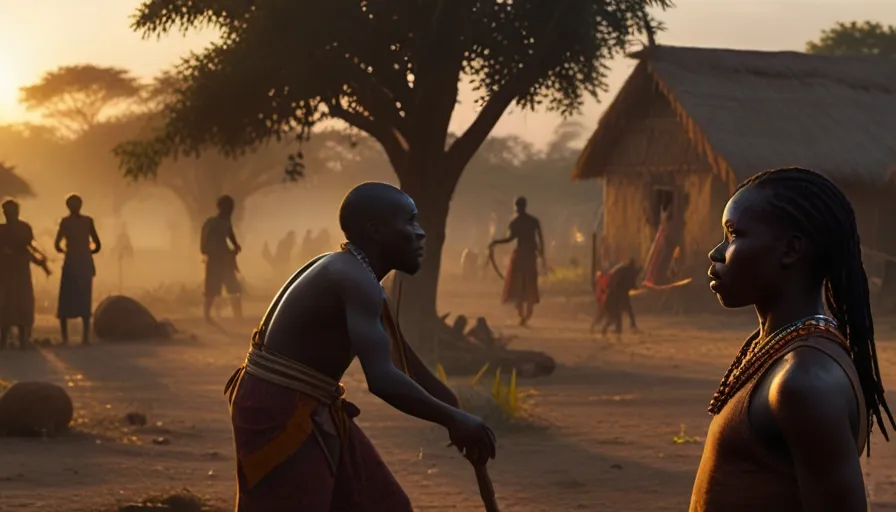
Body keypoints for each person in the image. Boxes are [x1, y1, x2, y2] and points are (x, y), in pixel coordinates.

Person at [224, 182, 496, 511]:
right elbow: (382, 379)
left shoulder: (357, 274)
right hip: (281, 409)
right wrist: (453, 420)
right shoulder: (353, 279)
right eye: (410, 222)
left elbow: (402, 360)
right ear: (376, 231)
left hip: (311, 405)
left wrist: (455, 411)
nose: (421, 233)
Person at [691, 167, 895, 511]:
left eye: (733, 235)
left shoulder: (804, 381)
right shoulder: (775, 351)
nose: (717, 252)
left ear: (790, 250)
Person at [0, 199, 50, 349]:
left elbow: (29, 248)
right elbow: (29, 249)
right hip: (12, 272)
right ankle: (14, 340)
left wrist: (41, 262)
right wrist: (41, 263)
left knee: (14, 304)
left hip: (14, 272)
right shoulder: (17, 228)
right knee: (14, 304)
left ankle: (13, 340)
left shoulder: (14, 229)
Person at [490, 196, 545, 326]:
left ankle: (524, 314)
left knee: (519, 285)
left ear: (517, 207)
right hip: (529, 255)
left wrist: (496, 242)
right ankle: (525, 314)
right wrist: (542, 254)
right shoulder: (532, 221)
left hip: (522, 256)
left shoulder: (516, 222)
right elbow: (540, 240)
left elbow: (510, 239)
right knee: (526, 284)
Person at [54, 194, 101, 345]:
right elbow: (98, 245)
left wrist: (68, 250)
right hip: (85, 263)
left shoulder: (65, 222)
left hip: (71, 263)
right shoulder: (88, 221)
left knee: (66, 299)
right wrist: (87, 251)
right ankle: (85, 338)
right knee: (84, 299)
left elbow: (57, 244)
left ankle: (65, 338)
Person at [201, 195, 242, 322]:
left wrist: (235, 247)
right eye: (229, 208)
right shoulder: (212, 223)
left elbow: (232, 237)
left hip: (224, 260)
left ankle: (238, 316)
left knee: (233, 289)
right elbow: (204, 244)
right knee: (212, 290)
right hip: (215, 260)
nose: (231, 210)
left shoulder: (225, 222)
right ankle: (207, 316)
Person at [591, 257, 640, 336]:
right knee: (621, 311)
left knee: (619, 312)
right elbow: (626, 283)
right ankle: (625, 327)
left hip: (617, 294)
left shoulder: (622, 270)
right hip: (617, 294)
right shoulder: (625, 271)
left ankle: (620, 328)